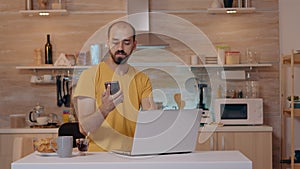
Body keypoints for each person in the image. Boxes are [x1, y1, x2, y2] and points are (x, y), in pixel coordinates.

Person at [73, 21, 156, 152]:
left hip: (133, 155)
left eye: (126, 42)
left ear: (135, 45)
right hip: (99, 158)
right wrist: (104, 109)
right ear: (108, 43)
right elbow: (84, 128)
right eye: (115, 42)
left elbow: (152, 120)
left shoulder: (142, 79)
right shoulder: (89, 76)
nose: (120, 48)